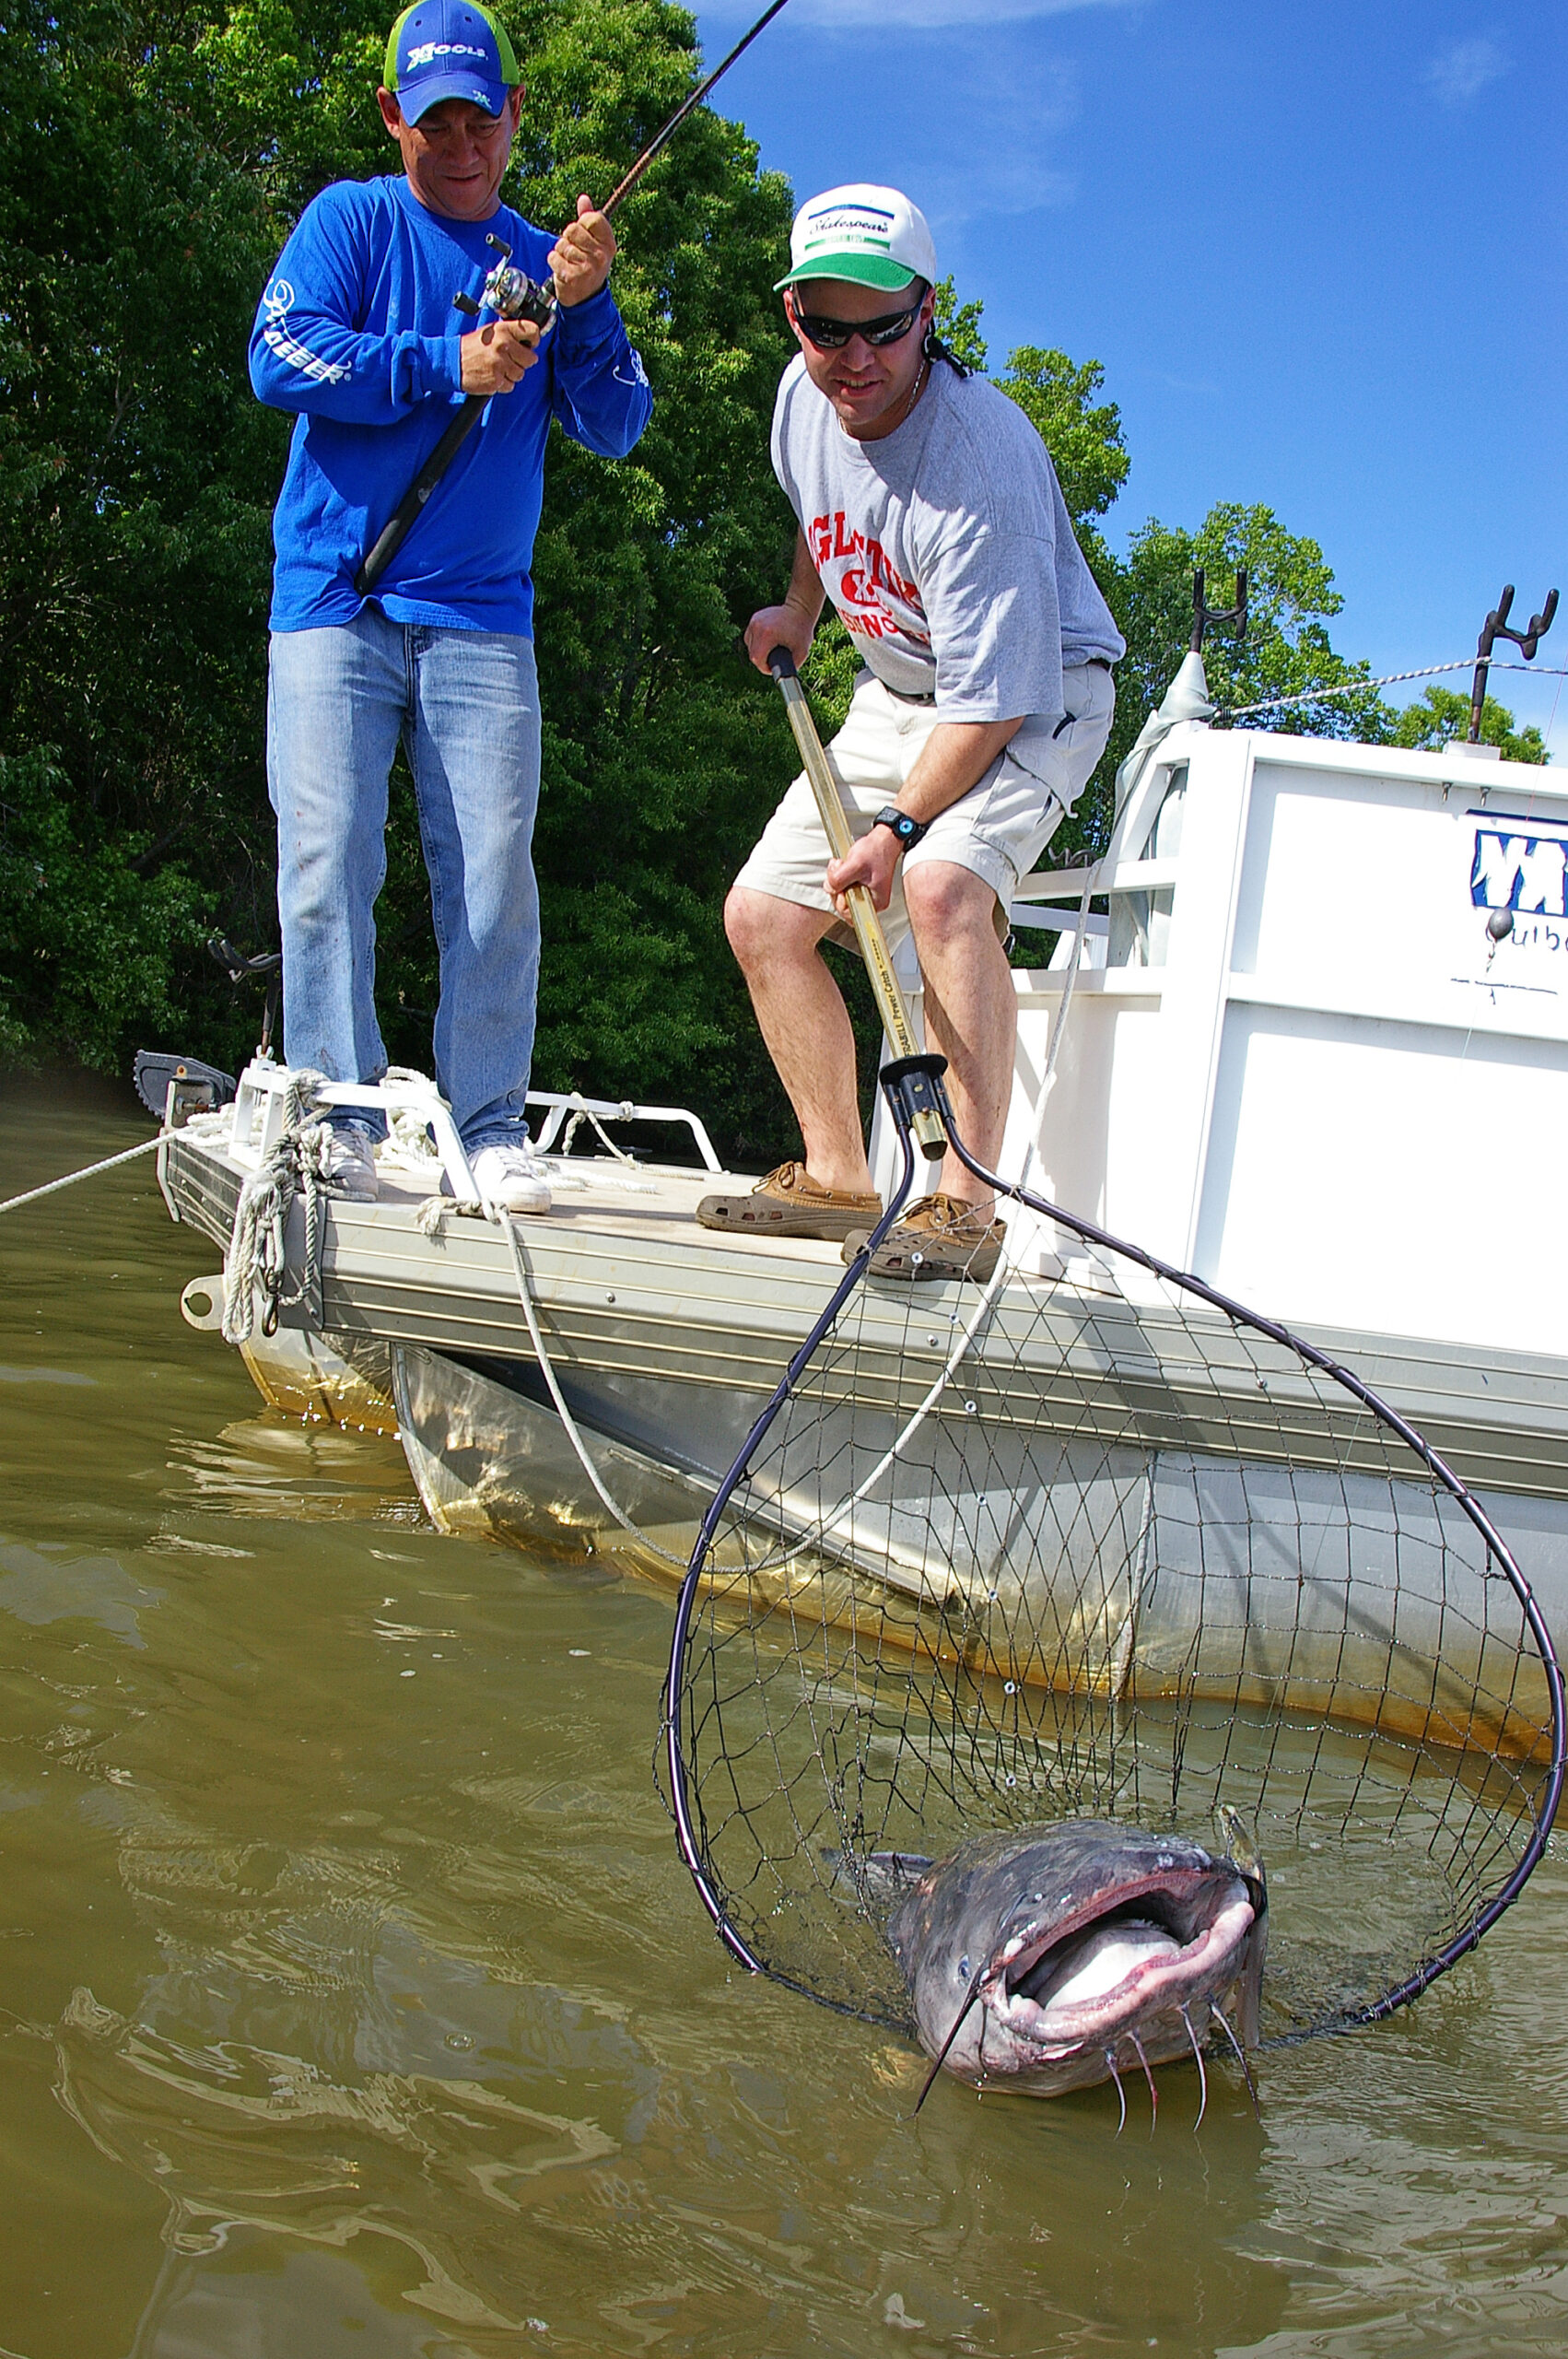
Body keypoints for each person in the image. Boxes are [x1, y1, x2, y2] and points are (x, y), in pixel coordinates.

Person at [250, 0, 652, 1211]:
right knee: (327, 865)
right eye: (435, 120)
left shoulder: (549, 254)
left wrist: (583, 307)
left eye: (482, 116)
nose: (461, 140)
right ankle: (341, 1115)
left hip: (482, 618)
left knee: (490, 880)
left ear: (515, 117)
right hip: (335, 598)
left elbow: (617, 422)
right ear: (393, 119)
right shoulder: (350, 220)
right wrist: (445, 360)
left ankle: (486, 1129)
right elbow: (281, 355)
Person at [696, 184, 1123, 1281]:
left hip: (1034, 694)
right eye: (826, 327)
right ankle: (837, 1173)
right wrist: (800, 607)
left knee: (938, 890)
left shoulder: (981, 467)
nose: (855, 357)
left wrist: (893, 826)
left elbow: (991, 706)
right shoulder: (803, 398)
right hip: (899, 691)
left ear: (926, 312)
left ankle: (964, 1203)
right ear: (792, 315)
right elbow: (816, 500)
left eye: (882, 327)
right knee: (764, 917)